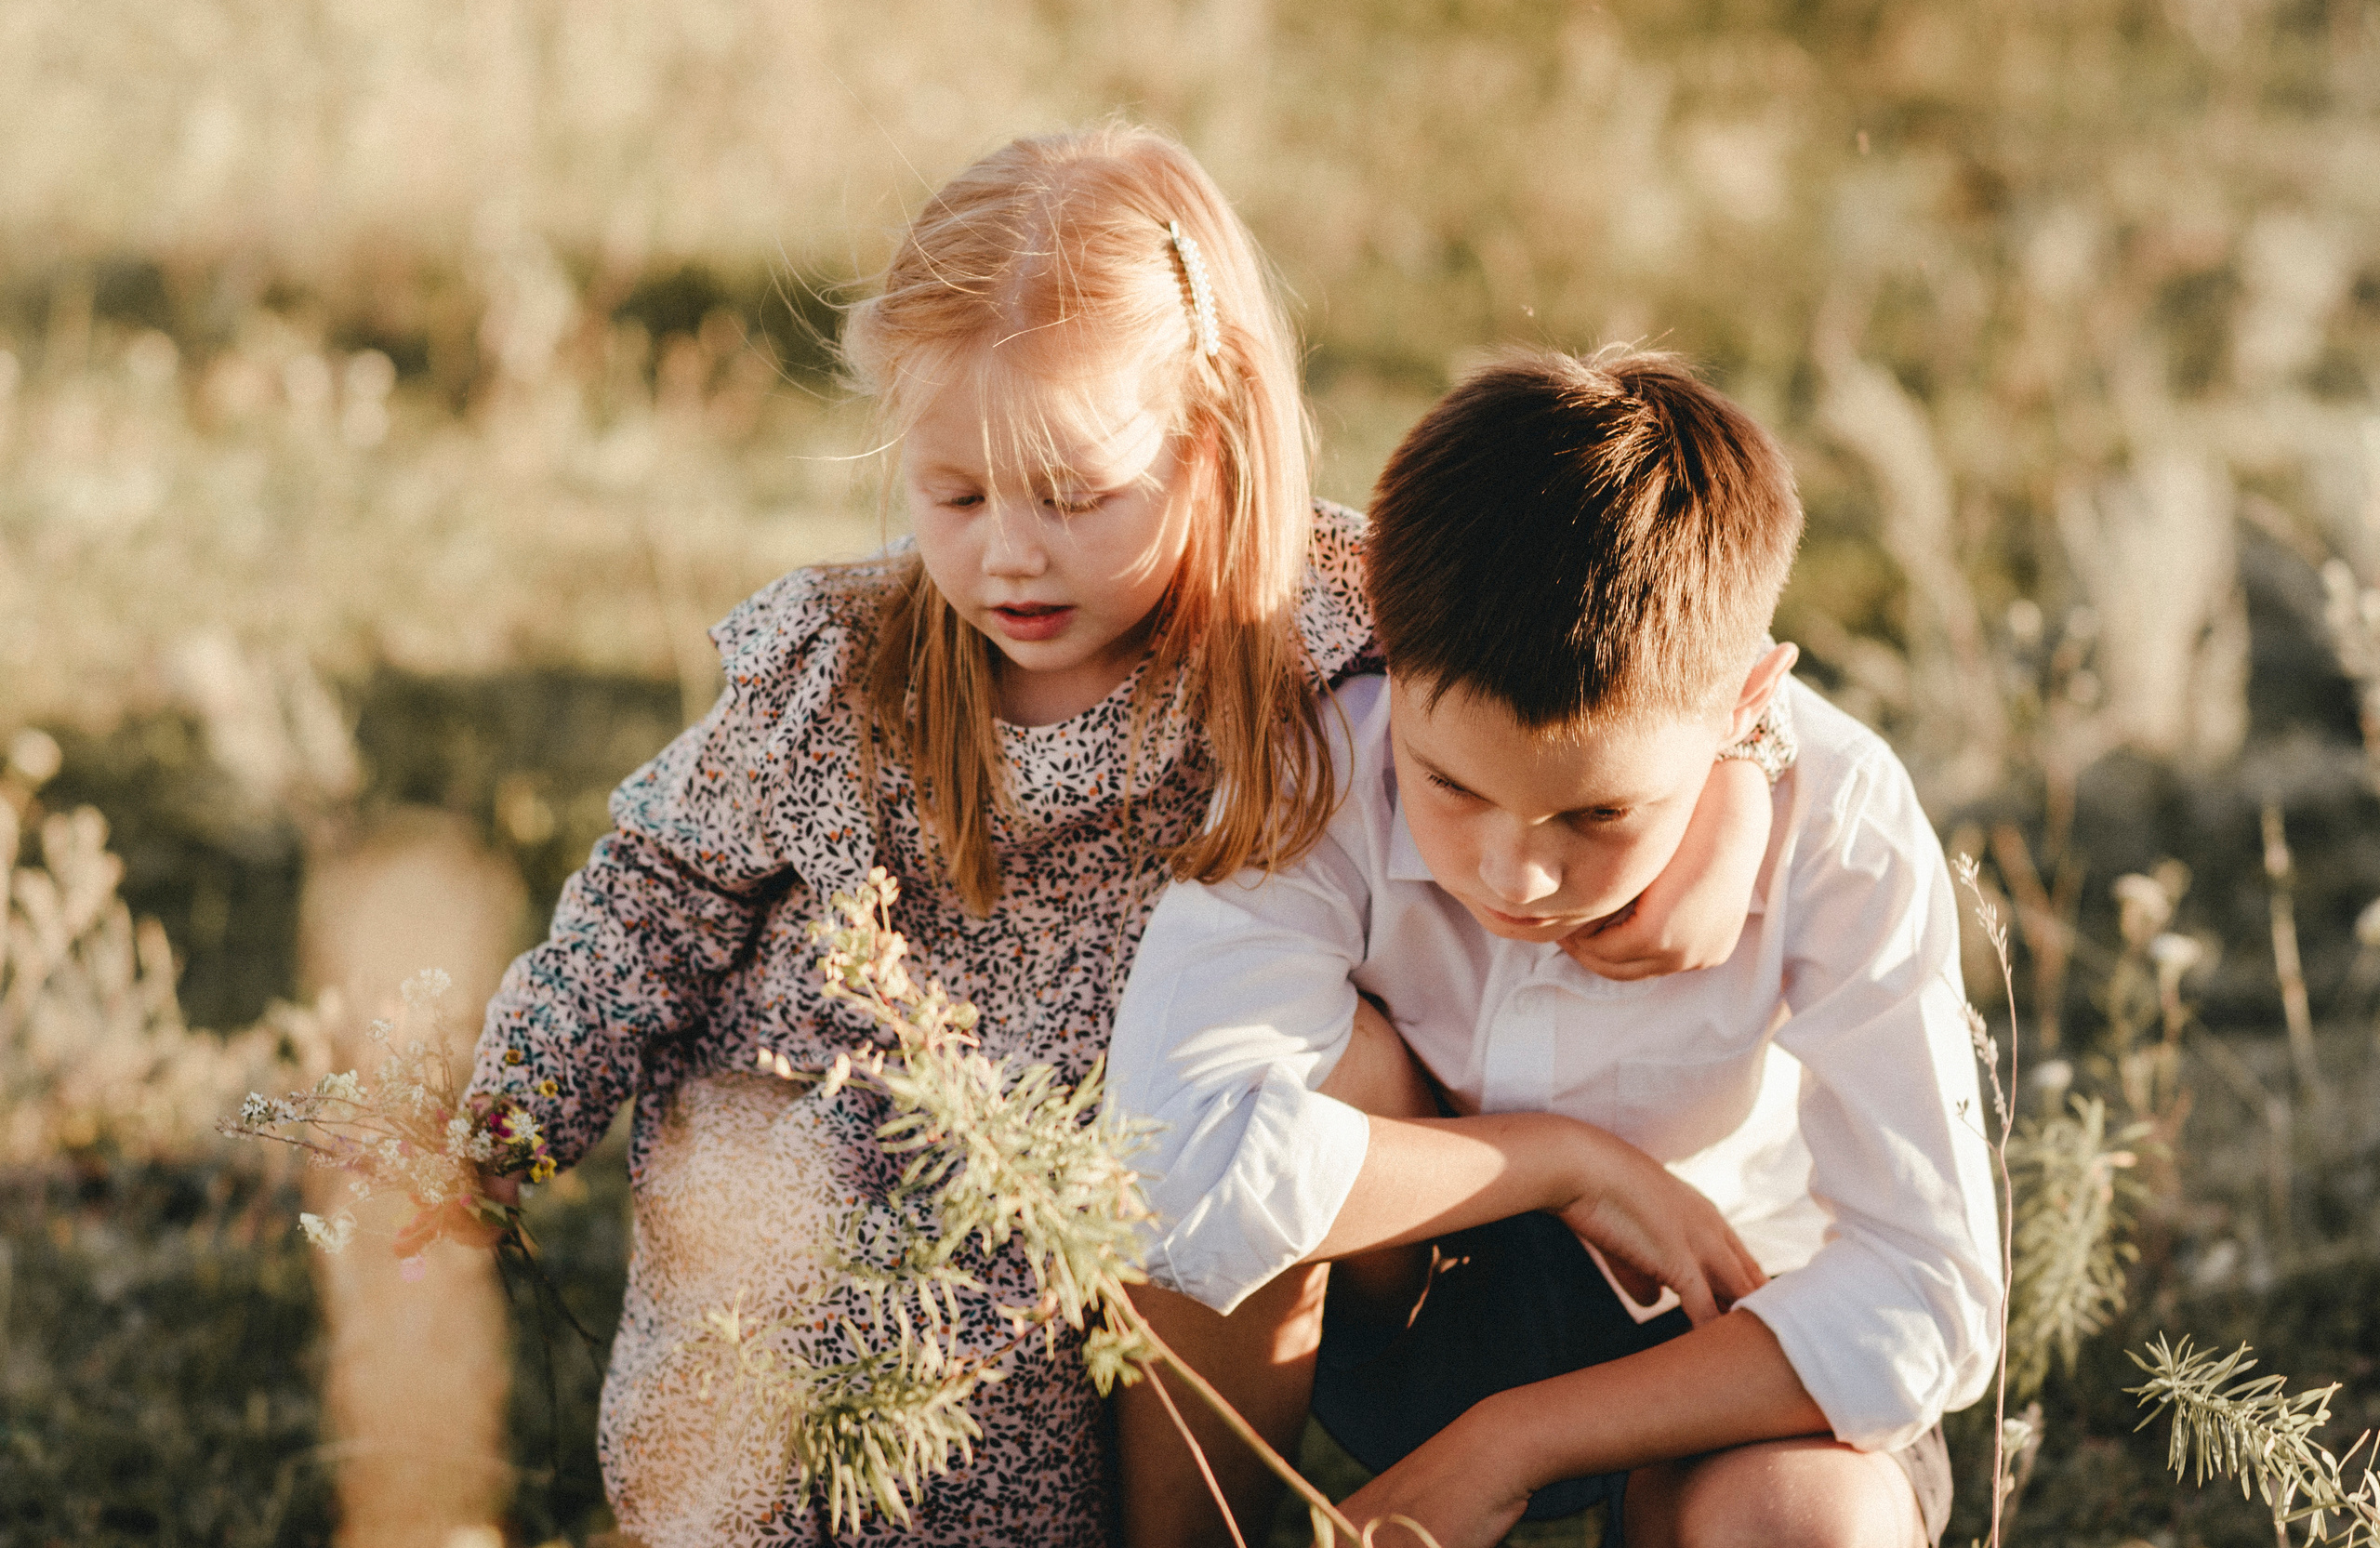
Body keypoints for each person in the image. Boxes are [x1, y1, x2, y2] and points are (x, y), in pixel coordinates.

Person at [449, 133, 1778, 1546]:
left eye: (1074, 496)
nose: (1008, 554)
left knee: (1226, 1179)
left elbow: (1620, 647)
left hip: (1095, 1287)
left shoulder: (1319, 622)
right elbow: (654, 897)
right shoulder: (839, 671)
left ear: (1212, 439)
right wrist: (517, 1107)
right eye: (954, 494)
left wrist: (1741, 793)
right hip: (823, 1255)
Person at [1108, 349, 2004, 1548]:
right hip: (1413, 1291)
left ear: (1749, 708)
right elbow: (1173, 1168)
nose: (1515, 876)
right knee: (1269, 1096)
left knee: (1807, 1525)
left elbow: (1927, 1296)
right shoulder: (1315, 764)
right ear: (1383, 636)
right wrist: (1556, 1162)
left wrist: (1516, 1441)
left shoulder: (1834, 815)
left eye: (1598, 814)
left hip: (1721, 1329)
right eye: (1449, 785)